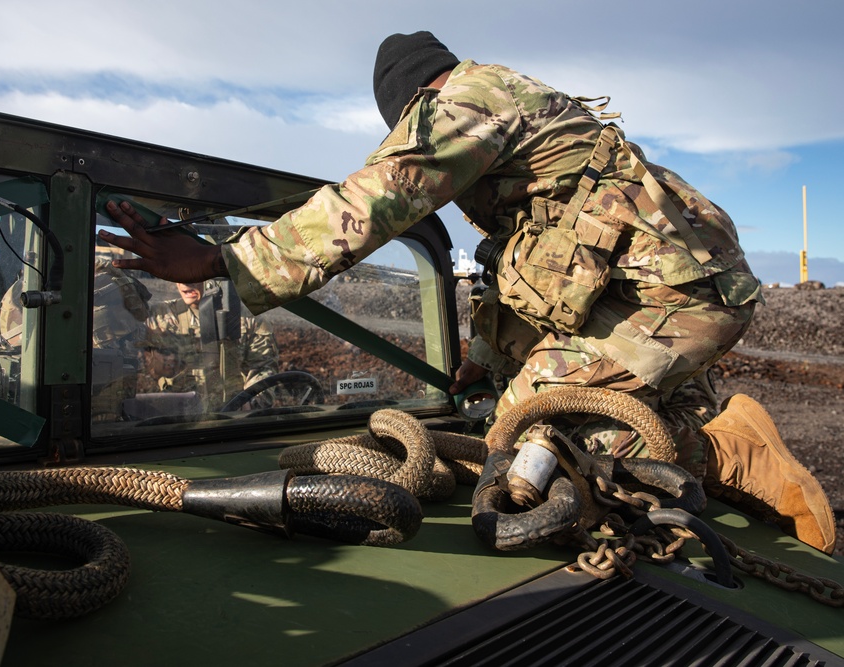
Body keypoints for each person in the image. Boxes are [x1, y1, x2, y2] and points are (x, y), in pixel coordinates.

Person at [99, 32, 835, 553]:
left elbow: (377, 198)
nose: (408, 138)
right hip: (656, 290)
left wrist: (226, 262)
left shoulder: (466, 100)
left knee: (528, 425)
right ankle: (692, 437)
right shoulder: (506, 124)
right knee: (535, 399)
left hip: (676, 296)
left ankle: (730, 451)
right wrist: (482, 354)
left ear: (411, 103)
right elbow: (517, 262)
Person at [137, 279, 280, 411]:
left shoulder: (251, 322)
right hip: (178, 417)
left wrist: (249, 403)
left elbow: (263, 369)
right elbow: (126, 347)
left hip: (231, 417)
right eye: (179, 275)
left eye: (193, 275)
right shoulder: (160, 317)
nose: (185, 283)